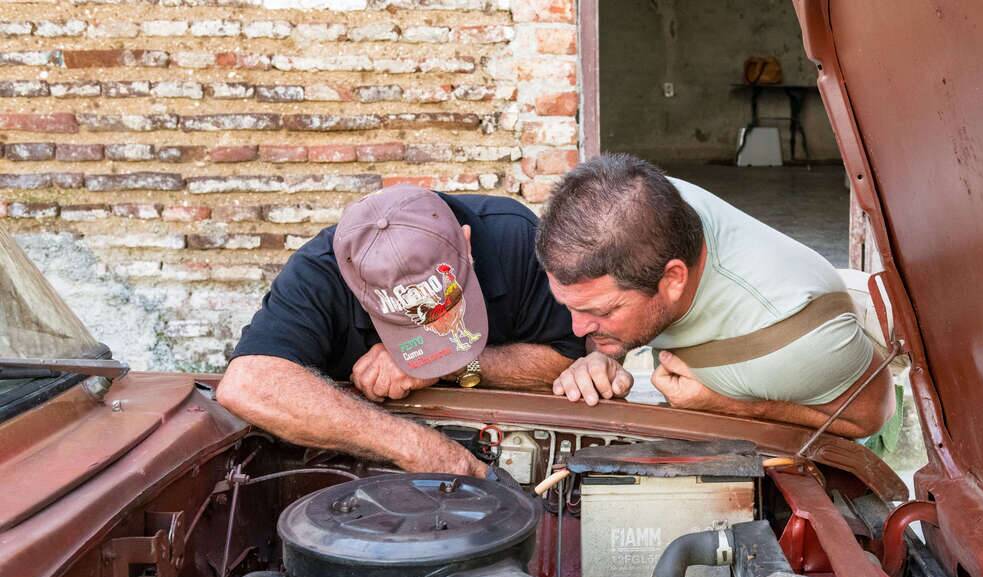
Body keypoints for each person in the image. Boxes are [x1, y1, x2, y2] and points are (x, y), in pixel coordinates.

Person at [217, 184, 584, 477]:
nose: (434, 324)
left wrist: (439, 363)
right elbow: (248, 384)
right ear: (355, 284)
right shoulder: (320, 272)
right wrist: (416, 447)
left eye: (445, 305)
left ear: (466, 242)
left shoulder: (516, 239)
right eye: (406, 321)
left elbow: (568, 361)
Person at [535, 154, 893, 438]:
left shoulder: (796, 339)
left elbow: (871, 417)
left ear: (673, 278)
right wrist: (602, 358)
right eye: (571, 307)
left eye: (602, 311)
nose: (577, 329)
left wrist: (730, 406)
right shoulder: (638, 205)